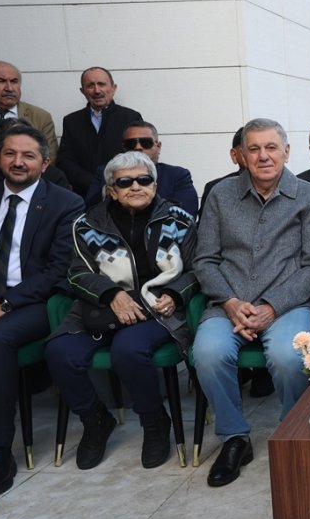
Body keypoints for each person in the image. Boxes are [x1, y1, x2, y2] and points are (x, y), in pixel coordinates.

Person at [192, 118, 310, 487]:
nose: (263, 156)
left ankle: (292, 435)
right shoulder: (220, 195)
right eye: (254, 148)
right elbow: (204, 259)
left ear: (286, 151)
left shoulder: (307, 196)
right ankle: (235, 438)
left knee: (289, 356)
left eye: (271, 147)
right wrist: (231, 302)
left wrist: (271, 306)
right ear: (241, 155)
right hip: (227, 302)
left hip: (286, 302)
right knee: (207, 353)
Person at [0, 124, 83, 499]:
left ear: (44, 163)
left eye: (28, 155)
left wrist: (4, 305)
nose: (18, 161)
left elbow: (59, 270)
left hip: (34, 304)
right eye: (10, 153)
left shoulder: (64, 203)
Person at [47, 151, 197, 470]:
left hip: (158, 307)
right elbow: (76, 272)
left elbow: (198, 268)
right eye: (124, 182)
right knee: (60, 352)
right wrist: (111, 292)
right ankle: (95, 420)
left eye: (144, 180)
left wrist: (174, 292)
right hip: (102, 307)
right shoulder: (87, 224)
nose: (135, 187)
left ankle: (155, 422)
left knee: (128, 350)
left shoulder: (179, 220)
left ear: (155, 185)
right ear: (111, 190)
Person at [58, 67, 144, 197]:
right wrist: (95, 184)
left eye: (101, 84)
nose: (97, 90)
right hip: (85, 194)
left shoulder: (131, 117)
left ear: (113, 88)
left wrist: (118, 182)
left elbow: (138, 156)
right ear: (83, 91)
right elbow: (65, 161)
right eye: (90, 86)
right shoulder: (71, 121)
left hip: (124, 192)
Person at [85, 122, 198, 214]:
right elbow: (91, 211)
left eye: (146, 143)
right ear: (124, 147)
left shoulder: (177, 175)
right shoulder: (106, 172)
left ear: (158, 146)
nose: (138, 147)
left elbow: (186, 216)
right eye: (131, 143)